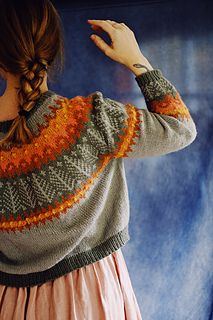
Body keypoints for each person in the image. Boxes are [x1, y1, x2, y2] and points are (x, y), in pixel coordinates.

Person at [0, 1, 197, 319]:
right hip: (90, 296)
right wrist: (136, 60)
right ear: (51, 48)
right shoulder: (90, 119)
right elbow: (181, 127)